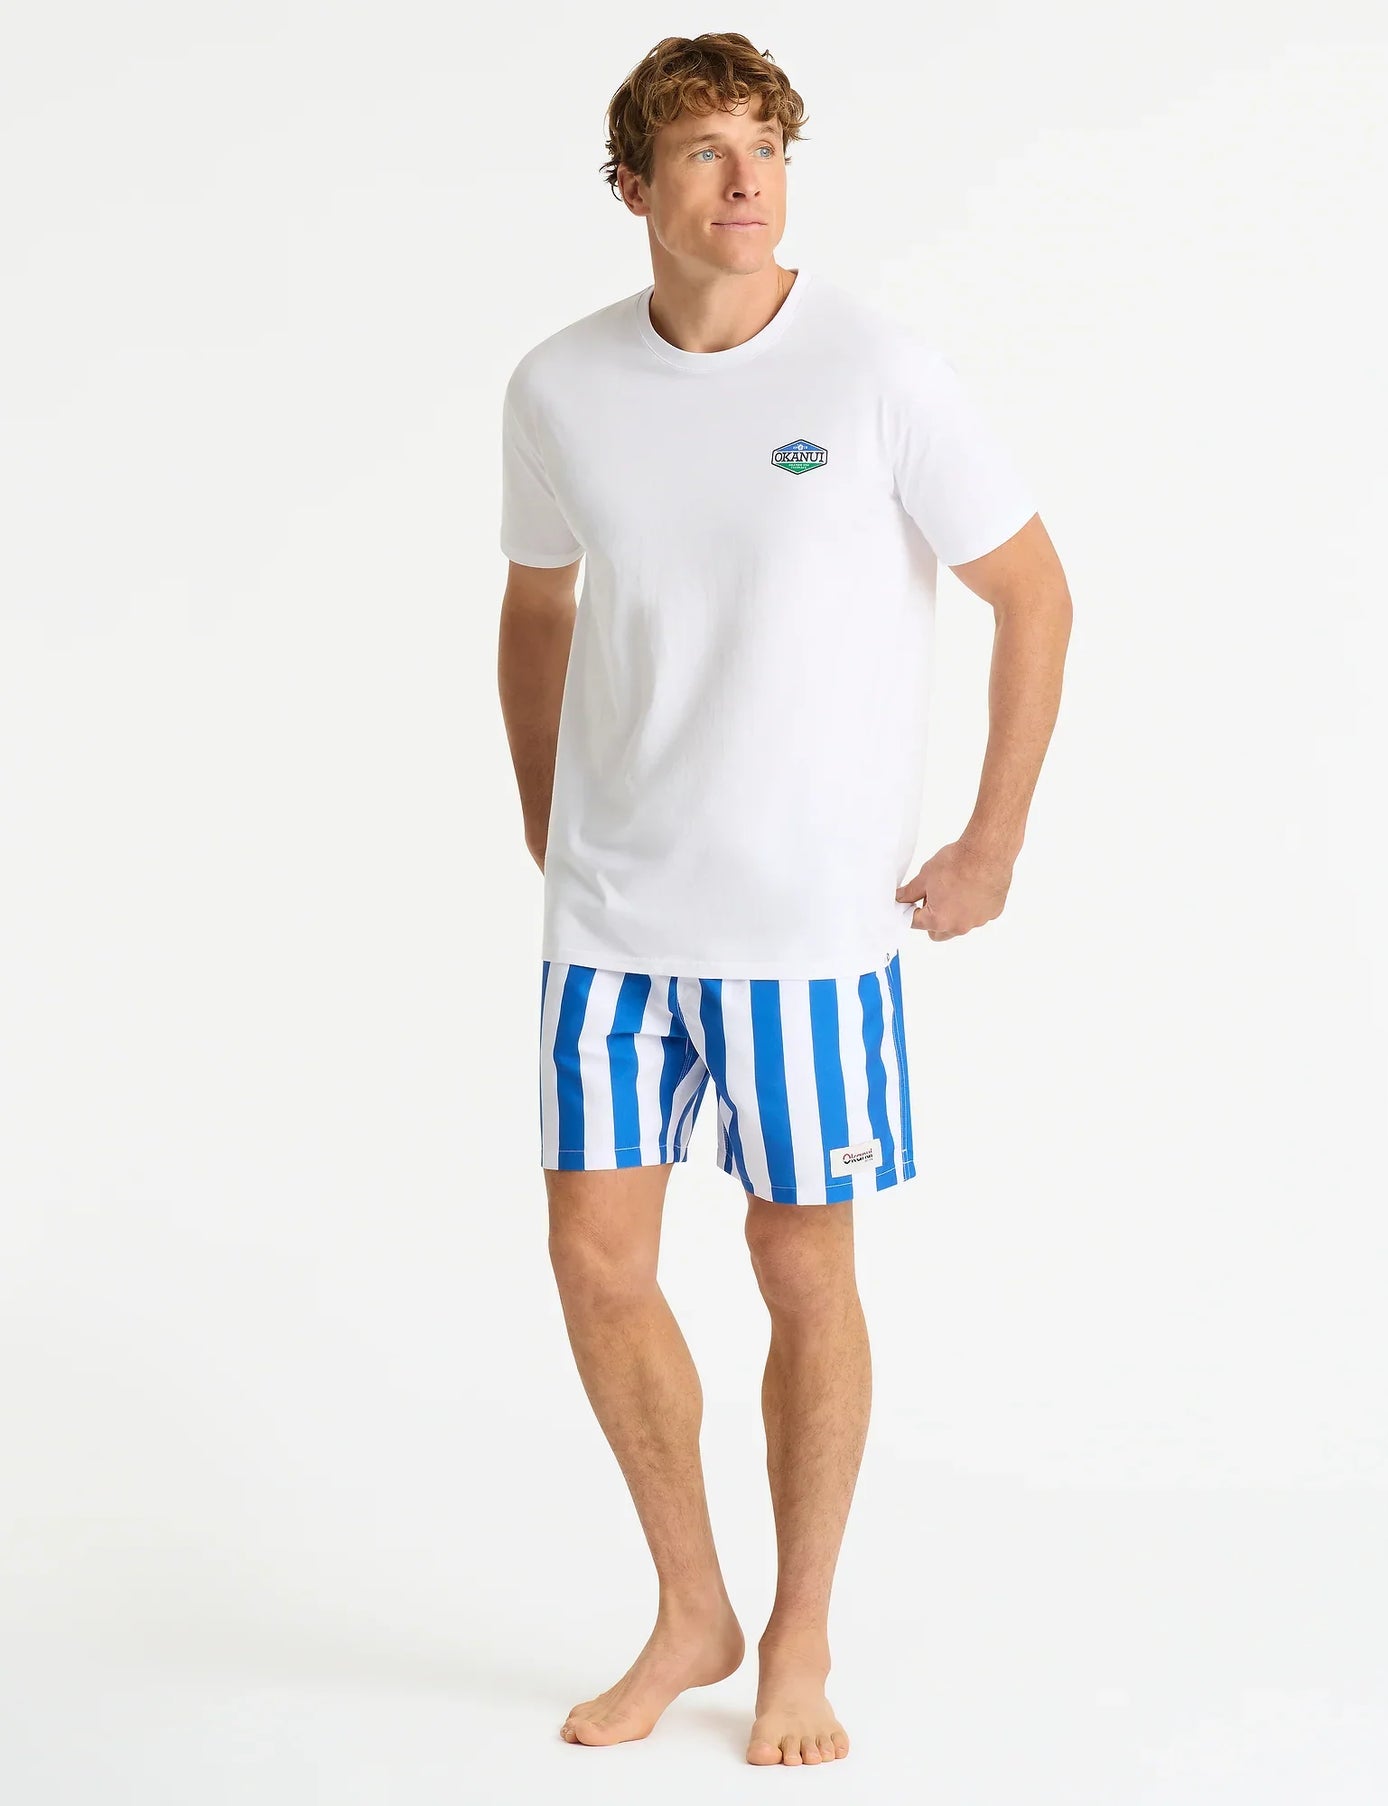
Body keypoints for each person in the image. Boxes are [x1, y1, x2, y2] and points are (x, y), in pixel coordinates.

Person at [497, 31, 1072, 1768]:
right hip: (611, 922)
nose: (745, 181)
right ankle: (691, 1605)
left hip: (807, 930)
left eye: (765, 147)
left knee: (797, 1259)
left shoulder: (875, 370)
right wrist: (547, 819)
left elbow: (1033, 593)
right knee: (594, 1259)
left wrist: (990, 839)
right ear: (633, 187)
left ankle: (798, 1633)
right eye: (703, 152)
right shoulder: (559, 384)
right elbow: (536, 604)